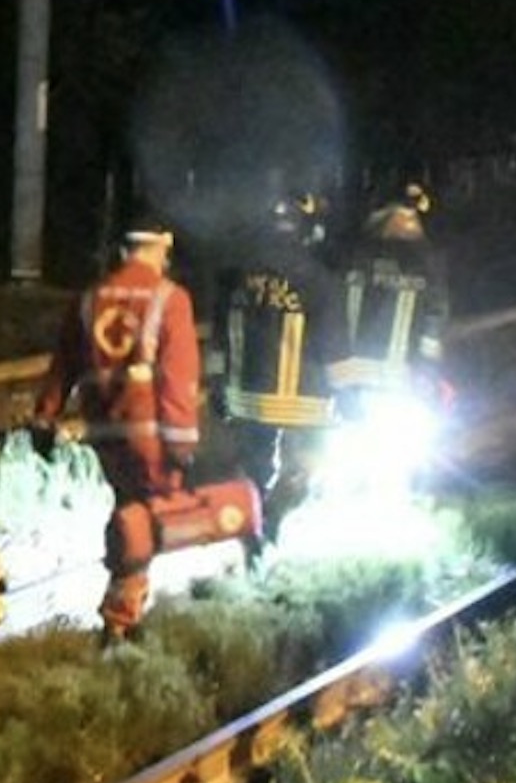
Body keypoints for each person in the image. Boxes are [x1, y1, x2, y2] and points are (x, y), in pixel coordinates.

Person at [31, 216, 202, 648]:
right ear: (160, 246)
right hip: (150, 435)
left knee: (129, 511)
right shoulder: (170, 298)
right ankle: (119, 624)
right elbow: (178, 379)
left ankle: (123, 611)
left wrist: (45, 417)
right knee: (144, 522)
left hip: (104, 431)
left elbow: (62, 366)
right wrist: (182, 444)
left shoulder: (89, 299)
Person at [211, 192, 346, 517]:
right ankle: (274, 521)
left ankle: (252, 527)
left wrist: (216, 384)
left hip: (246, 399)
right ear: (307, 229)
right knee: (305, 468)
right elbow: (334, 344)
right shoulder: (318, 279)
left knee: (253, 472)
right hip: (304, 402)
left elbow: (219, 336)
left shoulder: (234, 277)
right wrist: (347, 393)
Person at [328, 180, 451, 406]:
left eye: (413, 217)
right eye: (404, 214)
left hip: (396, 390)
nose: (410, 223)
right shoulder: (352, 258)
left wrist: (428, 374)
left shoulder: (426, 262)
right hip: (350, 389)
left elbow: (434, 323)